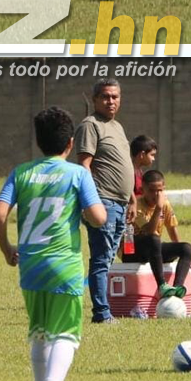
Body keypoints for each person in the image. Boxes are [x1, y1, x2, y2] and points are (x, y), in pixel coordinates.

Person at [0, 106, 105, 381]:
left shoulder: (21, 172)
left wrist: (7, 248)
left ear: (38, 142)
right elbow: (99, 217)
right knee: (65, 333)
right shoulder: (78, 174)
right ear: (70, 144)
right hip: (64, 266)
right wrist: (85, 211)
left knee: (40, 332)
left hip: (30, 267)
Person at [73, 78, 130, 324]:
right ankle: (102, 313)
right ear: (95, 99)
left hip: (121, 202)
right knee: (100, 258)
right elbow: (84, 165)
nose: (111, 101)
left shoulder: (116, 126)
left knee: (108, 258)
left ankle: (105, 310)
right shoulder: (90, 125)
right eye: (106, 97)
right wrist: (90, 201)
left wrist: (133, 199)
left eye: (115, 96)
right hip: (103, 201)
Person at [128, 170, 191, 298]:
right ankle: (162, 285)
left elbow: (172, 229)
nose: (156, 194)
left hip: (154, 250)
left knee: (186, 248)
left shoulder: (165, 204)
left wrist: (185, 256)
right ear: (143, 189)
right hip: (132, 251)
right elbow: (149, 231)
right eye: (152, 191)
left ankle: (177, 288)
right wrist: (158, 208)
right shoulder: (137, 205)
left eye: (160, 191)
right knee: (153, 238)